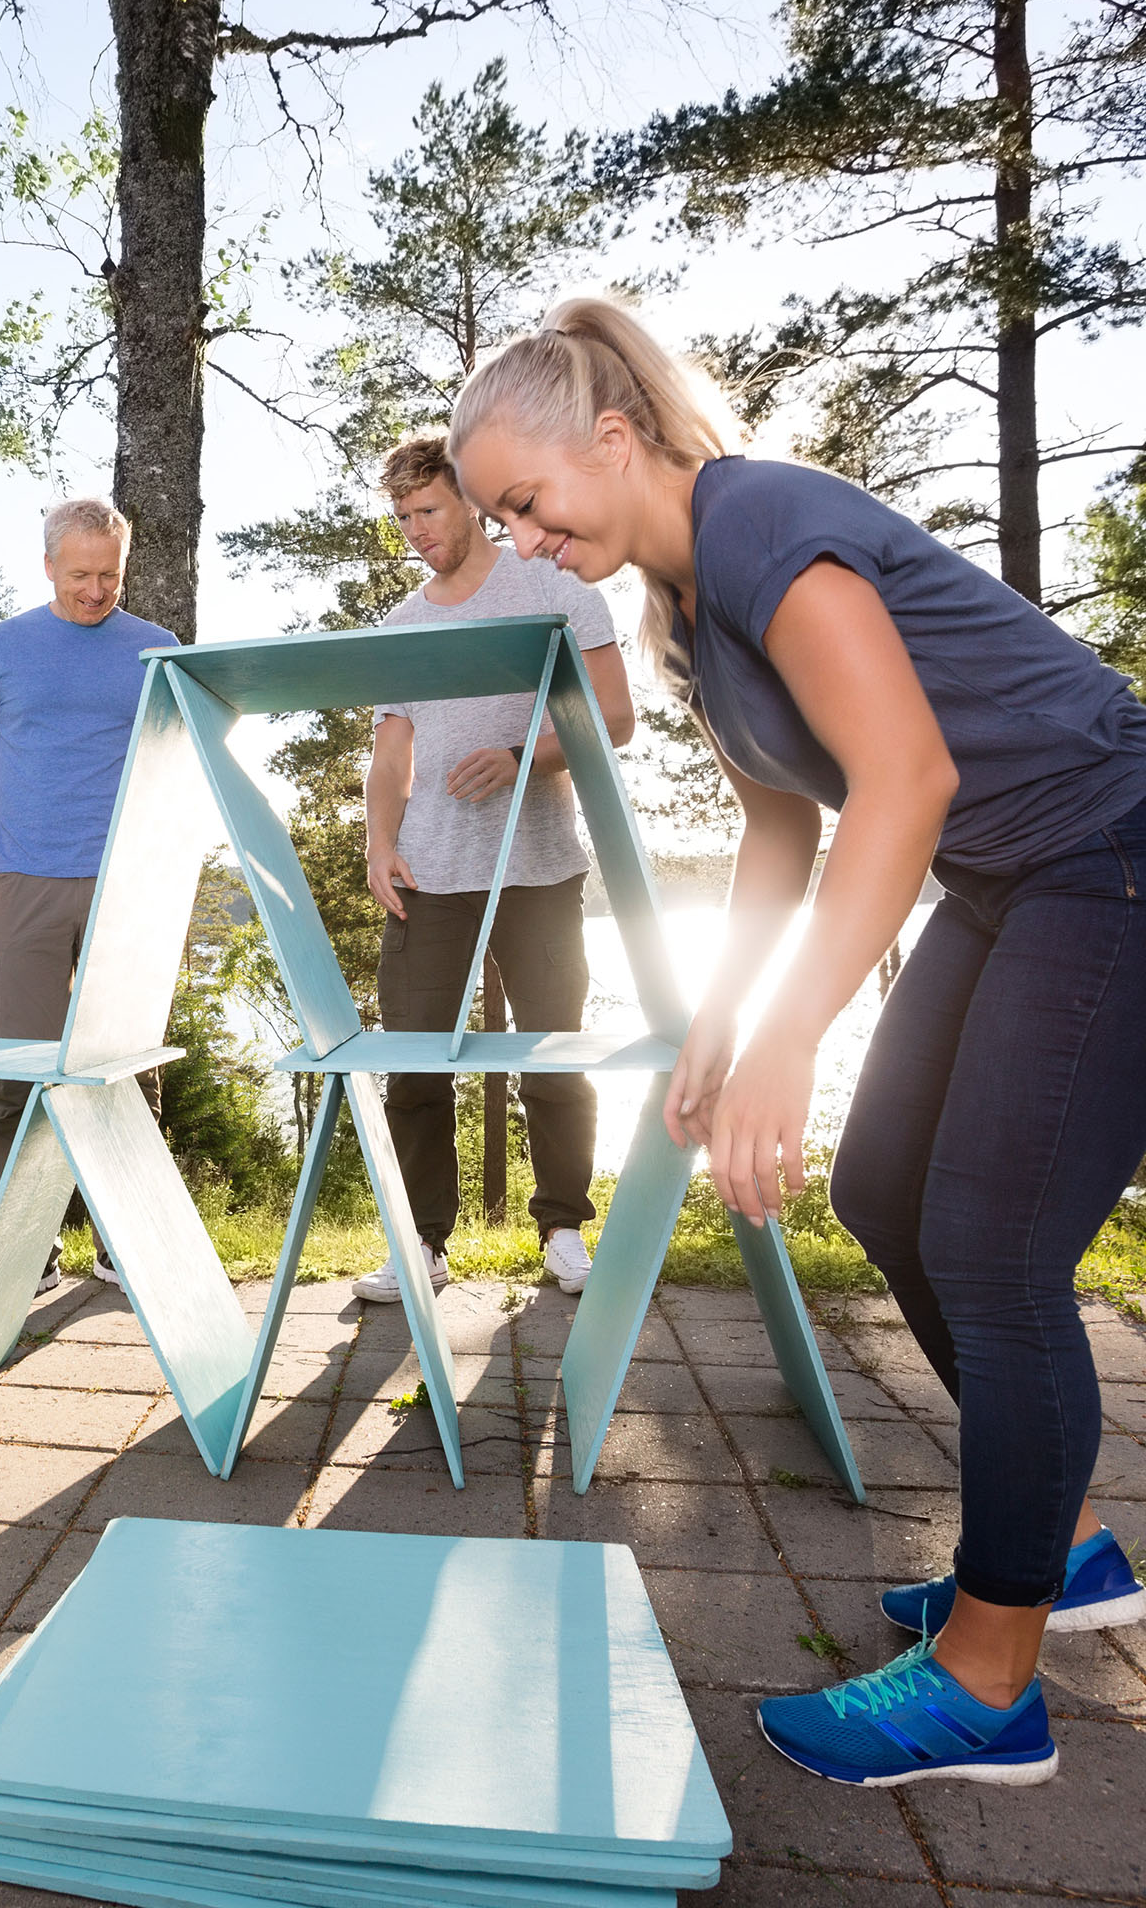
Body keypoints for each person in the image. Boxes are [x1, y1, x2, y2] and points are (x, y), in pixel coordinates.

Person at [451, 296, 1146, 1789]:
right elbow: (783, 831)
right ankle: (1059, 1553)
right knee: (888, 1196)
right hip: (1006, 871)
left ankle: (991, 1680)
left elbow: (903, 775)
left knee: (994, 1248)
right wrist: (720, 1019)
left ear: (618, 440)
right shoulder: (684, 610)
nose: (521, 538)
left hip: (1110, 850)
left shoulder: (761, 519)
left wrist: (793, 1045)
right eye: (500, 516)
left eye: (531, 501)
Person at [354, 433, 635, 1307]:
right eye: (402, 517)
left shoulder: (554, 590)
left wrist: (522, 755)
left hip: (539, 868)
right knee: (414, 1064)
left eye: (428, 510)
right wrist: (378, 845)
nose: (415, 530)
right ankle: (422, 1246)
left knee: (553, 1055)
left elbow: (614, 718)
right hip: (430, 876)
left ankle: (561, 1229)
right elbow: (390, 751)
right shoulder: (402, 625)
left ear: (470, 501)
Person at [0, 498, 174, 1292]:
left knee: (126, 1067)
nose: (96, 590)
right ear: (50, 566)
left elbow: (184, 759)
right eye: (81, 574)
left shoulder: (156, 650)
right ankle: (29, 1245)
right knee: (18, 1066)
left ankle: (123, 1242)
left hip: (124, 882)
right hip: (24, 878)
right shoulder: (4, 646)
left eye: (110, 576)